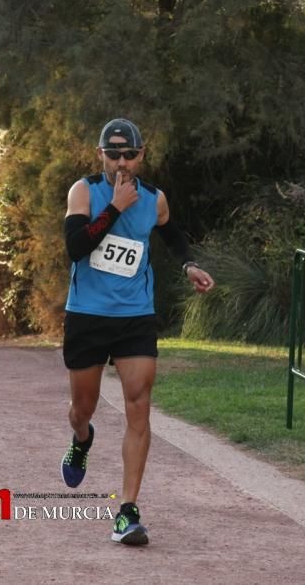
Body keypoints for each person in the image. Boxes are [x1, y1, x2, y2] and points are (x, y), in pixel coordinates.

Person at [60, 118, 215, 546]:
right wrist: (115, 207)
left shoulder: (155, 199)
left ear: (142, 155)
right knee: (82, 408)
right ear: (100, 156)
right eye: (114, 154)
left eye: (130, 154)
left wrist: (188, 264)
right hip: (87, 316)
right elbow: (76, 247)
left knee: (138, 404)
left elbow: (172, 235)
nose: (122, 162)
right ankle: (81, 438)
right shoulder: (84, 192)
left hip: (134, 317)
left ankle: (127, 511)